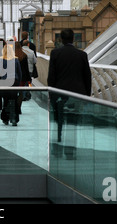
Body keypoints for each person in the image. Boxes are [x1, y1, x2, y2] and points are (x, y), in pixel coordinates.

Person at [47, 29, 91, 159]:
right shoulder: (82, 55)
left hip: (59, 93)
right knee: (72, 123)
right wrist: (86, 96)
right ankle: (70, 152)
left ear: (60, 39)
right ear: (73, 39)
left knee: (57, 121)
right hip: (76, 95)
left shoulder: (55, 53)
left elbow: (51, 76)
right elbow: (87, 76)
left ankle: (57, 150)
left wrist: (51, 94)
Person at [0, 42, 22, 126]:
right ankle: (14, 119)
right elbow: (19, 72)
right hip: (14, 81)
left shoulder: (1, 59)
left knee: (5, 100)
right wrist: (19, 82)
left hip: (4, 81)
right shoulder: (16, 59)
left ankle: (5, 118)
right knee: (13, 100)